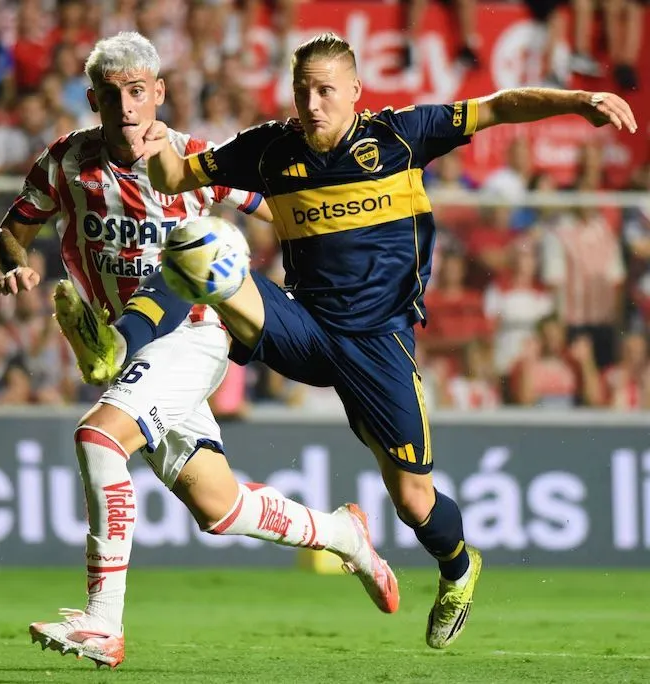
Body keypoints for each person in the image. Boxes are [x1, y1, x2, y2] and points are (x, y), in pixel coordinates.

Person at [119, 33, 637, 649]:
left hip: (379, 346)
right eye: (302, 90)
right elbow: (176, 176)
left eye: (325, 90)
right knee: (202, 248)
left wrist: (577, 100)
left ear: (356, 93)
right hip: (305, 329)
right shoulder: (270, 149)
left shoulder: (400, 136)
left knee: (415, 502)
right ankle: (128, 345)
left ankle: (458, 567)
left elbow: (497, 105)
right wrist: (154, 148)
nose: (312, 103)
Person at [0, 32, 399, 669]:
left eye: (137, 93)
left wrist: (340, 253)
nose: (126, 107)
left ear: (158, 93)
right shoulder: (65, 162)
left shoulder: (191, 160)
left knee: (99, 439)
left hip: (199, 331)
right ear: (93, 100)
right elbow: (12, 231)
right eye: (111, 96)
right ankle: (343, 534)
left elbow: (278, 209)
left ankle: (104, 622)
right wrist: (15, 264)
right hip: (138, 349)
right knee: (218, 506)